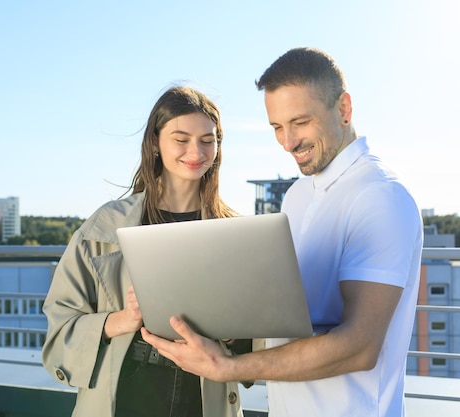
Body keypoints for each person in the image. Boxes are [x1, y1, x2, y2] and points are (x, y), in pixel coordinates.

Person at [141, 47, 424, 417]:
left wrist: (227, 367)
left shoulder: (380, 195)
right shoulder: (298, 195)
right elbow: (286, 312)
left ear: (344, 108)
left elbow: (360, 346)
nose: (288, 142)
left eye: (300, 122)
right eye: (277, 127)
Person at [41, 85, 247, 417]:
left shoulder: (237, 233)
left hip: (203, 393)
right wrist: (123, 319)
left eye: (208, 140)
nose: (196, 151)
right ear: (155, 142)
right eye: (181, 139)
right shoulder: (104, 227)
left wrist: (236, 334)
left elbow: (261, 338)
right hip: (130, 391)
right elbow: (59, 332)